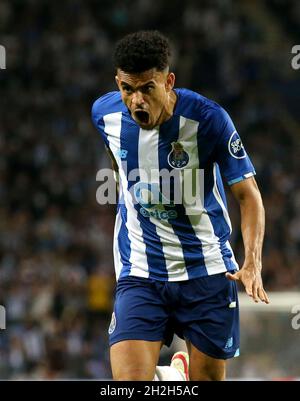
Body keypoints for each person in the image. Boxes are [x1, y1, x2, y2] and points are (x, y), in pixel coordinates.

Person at [91, 30, 269, 381]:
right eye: (127, 89)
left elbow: (249, 196)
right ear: (117, 83)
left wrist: (252, 261)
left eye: (147, 88)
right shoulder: (104, 114)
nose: (136, 100)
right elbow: (118, 165)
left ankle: (174, 377)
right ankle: (171, 378)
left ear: (168, 81)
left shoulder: (209, 119)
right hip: (141, 271)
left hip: (205, 271)